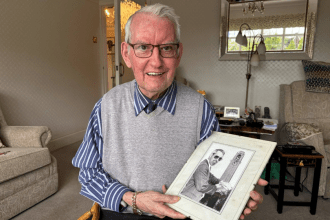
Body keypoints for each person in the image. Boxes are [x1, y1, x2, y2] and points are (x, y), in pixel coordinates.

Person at [72, 3, 266, 220]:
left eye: (166, 48)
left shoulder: (201, 110)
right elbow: (88, 174)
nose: (156, 62)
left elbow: (210, 171)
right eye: (143, 47)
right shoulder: (105, 107)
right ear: (126, 54)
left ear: (178, 53)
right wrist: (131, 198)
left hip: (181, 215)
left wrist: (235, 197)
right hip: (120, 212)